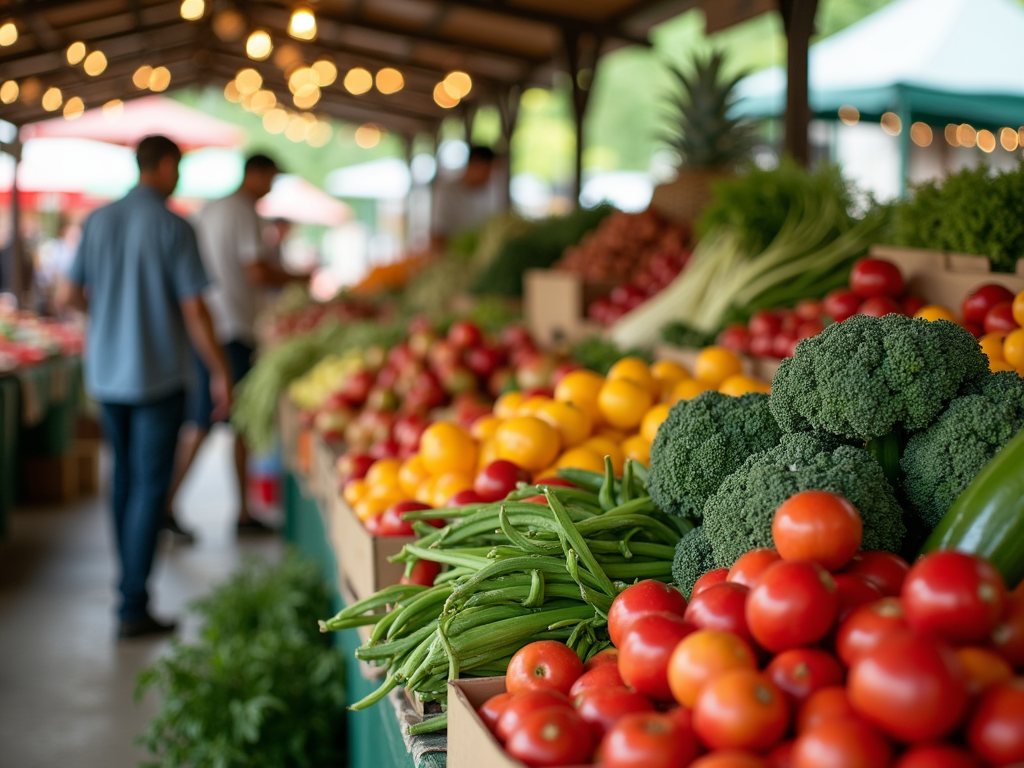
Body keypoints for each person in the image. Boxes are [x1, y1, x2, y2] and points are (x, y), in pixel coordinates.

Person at [55, 135, 231, 639]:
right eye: (179, 167)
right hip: (158, 376)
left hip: (108, 375)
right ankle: (133, 602)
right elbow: (194, 309)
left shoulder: (97, 220)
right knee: (151, 486)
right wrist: (219, 370)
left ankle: (127, 588)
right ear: (166, 165)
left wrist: (107, 319)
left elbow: (69, 295)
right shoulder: (175, 226)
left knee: (124, 481)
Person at [165, 154, 306, 539]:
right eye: (271, 179)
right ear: (256, 174)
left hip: (213, 325)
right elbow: (256, 270)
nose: (271, 187)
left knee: (212, 420)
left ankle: (238, 509)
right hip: (232, 329)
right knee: (216, 419)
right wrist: (299, 277)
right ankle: (177, 505)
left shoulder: (212, 209)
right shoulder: (244, 211)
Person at [431, 145, 502, 249]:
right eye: (487, 171)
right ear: (474, 164)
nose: (489, 177)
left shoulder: (491, 194)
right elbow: (437, 235)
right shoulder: (447, 193)